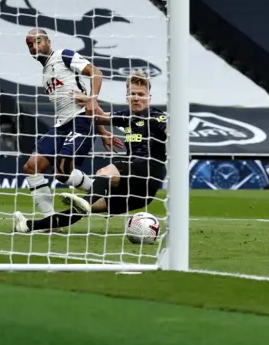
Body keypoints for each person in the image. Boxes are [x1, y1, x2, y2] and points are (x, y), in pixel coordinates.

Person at [14, 71, 167, 233]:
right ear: (127, 97)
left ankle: (85, 200)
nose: (136, 98)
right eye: (132, 94)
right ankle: (28, 226)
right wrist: (88, 100)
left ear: (149, 97)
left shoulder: (157, 117)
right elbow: (98, 117)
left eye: (141, 94)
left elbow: (168, 129)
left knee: (104, 172)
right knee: (81, 211)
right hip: (136, 192)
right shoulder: (126, 116)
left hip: (146, 174)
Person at [21, 28, 123, 220]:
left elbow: (96, 72)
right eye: (30, 45)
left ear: (48, 42)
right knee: (31, 167)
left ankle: (105, 196)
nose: (34, 47)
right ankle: (52, 222)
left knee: (63, 171)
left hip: (81, 121)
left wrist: (92, 99)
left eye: (38, 41)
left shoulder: (63, 55)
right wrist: (102, 131)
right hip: (63, 125)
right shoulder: (46, 73)